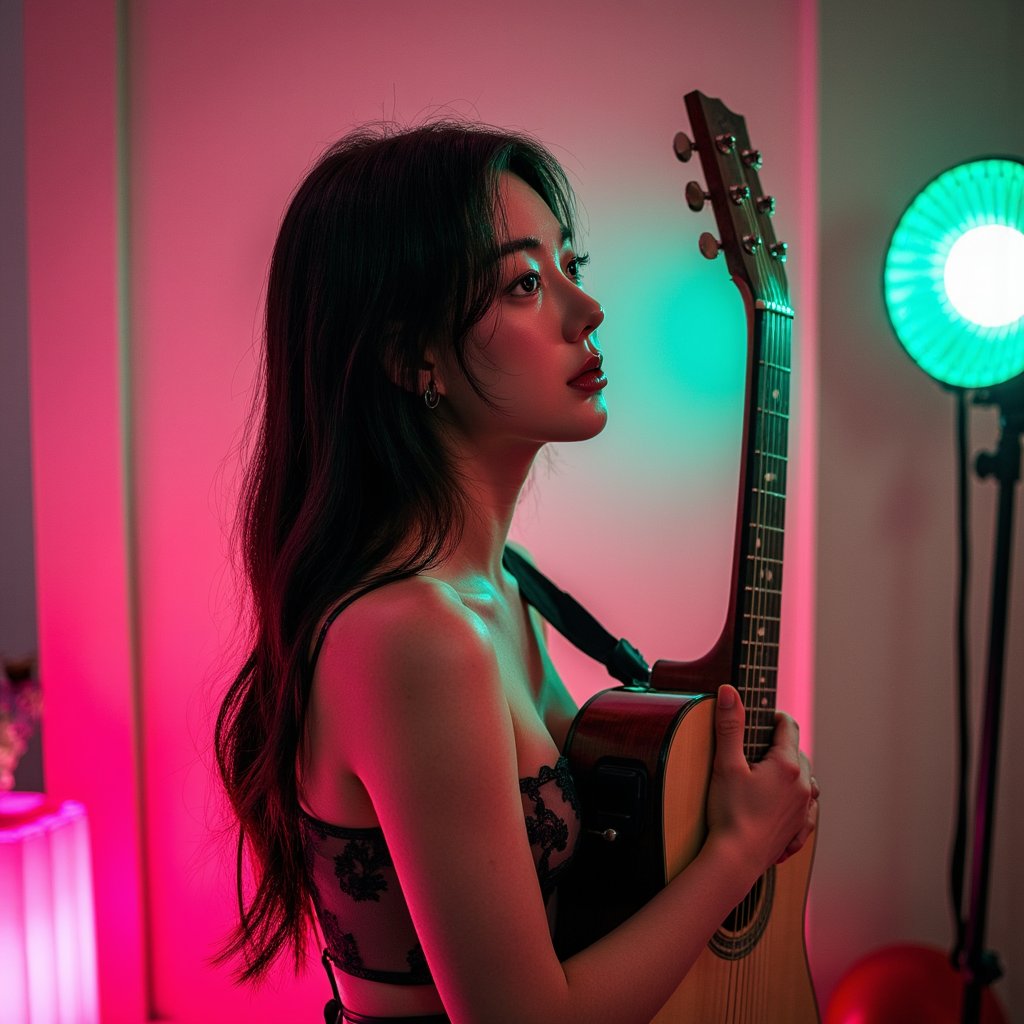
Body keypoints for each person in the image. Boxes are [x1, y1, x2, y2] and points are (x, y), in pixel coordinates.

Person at [214, 120, 818, 1024]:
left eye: (571, 264)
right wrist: (738, 852)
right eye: (527, 283)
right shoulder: (415, 637)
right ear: (410, 354)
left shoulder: (504, 593)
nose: (588, 310)